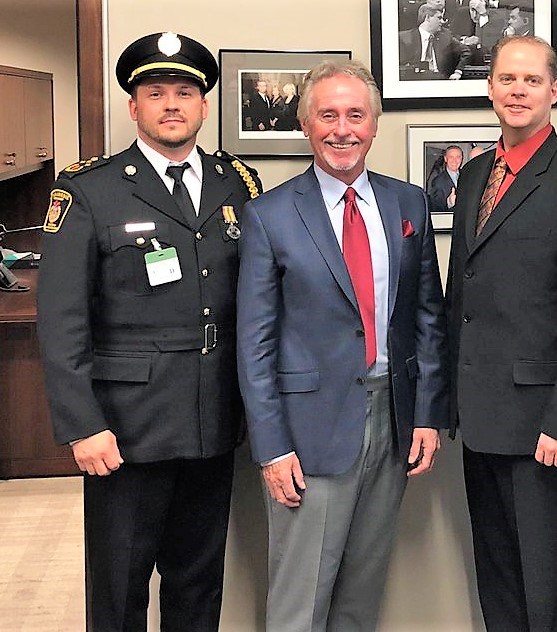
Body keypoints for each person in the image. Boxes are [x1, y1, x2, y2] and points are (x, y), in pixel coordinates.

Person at [37, 31, 261, 631]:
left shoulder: (235, 183)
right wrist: (83, 425)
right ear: (133, 107)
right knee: (119, 590)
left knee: (197, 585)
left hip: (212, 421)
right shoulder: (89, 189)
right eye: (155, 92)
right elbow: (61, 322)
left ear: (204, 105)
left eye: (184, 92)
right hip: (125, 431)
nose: (170, 104)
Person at [236, 59, 448, 631]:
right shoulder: (270, 215)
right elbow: (254, 344)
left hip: (393, 418)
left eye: (356, 115)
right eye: (327, 115)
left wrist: (427, 414)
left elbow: (427, 315)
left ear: (375, 125)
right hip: (308, 430)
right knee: (300, 597)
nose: (342, 129)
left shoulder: (407, 205)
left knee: (363, 588)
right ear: (306, 125)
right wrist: (272, 447)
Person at [446, 35, 557, 631]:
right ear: (489, 87)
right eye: (505, 79)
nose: (517, 90)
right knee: (497, 584)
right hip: (481, 420)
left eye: (530, 80)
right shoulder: (474, 175)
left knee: (547, 594)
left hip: (545, 428)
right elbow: (463, 295)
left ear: (553, 91)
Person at [399, 4, 471, 80]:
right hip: (415, 81)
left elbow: (466, 52)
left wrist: (458, 72)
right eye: (439, 18)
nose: (442, 22)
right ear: (427, 18)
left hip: (440, 80)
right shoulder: (405, 39)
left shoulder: (445, 37)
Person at [427, 144, 463, 212]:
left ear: (461, 159)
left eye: (458, 157)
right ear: (445, 159)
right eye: (451, 157)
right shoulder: (438, 181)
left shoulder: (467, 175)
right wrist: (449, 202)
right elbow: (435, 208)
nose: (454, 160)